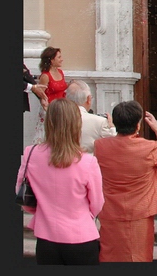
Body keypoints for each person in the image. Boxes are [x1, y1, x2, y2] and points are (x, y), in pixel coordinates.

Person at [17, 98, 104, 265]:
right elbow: (97, 203)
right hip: (82, 236)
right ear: (76, 124)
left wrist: (44, 212)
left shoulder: (31, 154)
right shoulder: (88, 162)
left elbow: (23, 196)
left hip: (46, 237)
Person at [94, 100, 157, 262]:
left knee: (110, 256)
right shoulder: (148, 147)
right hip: (140, 212)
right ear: (138, 125)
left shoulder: (100, 146)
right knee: (139, 256)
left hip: (110, 211)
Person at [64, 80, 116, 154]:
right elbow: (115, 146)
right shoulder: (100, 122)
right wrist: (112, 127)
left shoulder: (57, 119)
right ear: (88, 99)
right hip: (88, 163)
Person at [33, 46, 68, 144]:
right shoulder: (45, 76)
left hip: (61, 108)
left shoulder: (60, 72)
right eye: (59, 57)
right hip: (49, 109)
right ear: (52, 60)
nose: (62, 59)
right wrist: (45, 105)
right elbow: (41, 94)